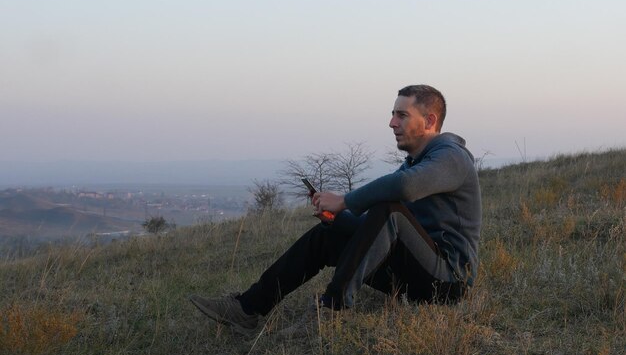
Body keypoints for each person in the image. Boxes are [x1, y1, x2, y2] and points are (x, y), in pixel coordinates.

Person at [190, 85, 482, 334]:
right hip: (413, 274)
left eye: (402, 115)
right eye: (393, 115)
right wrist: (340, 218)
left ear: (430, 121)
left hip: (447, 281)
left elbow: (403, 189)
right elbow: (382, 229)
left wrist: (344, 200)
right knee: (330, 232)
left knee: (389, 207)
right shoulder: (415, 163)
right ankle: (247, 308)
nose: (392, 123)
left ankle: (332, 309)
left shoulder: (451, 158)